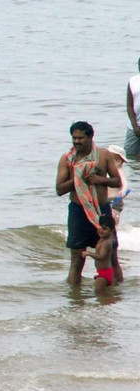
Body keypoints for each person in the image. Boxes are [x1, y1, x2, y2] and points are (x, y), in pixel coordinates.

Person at [55, 122, 122, 286]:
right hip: (79, 212)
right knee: (77, 259)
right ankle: (74, 300)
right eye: (74, 138)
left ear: (90, 137)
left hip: (102, 212)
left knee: (111, 256)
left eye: (81, 138)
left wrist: (100, 179)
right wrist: (78, 177)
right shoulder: (67, 160)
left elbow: (116, 181)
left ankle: (117, 295)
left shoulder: (103, 155)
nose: (77, 141)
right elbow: (59, 189)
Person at [81, 214, 117, 294]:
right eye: (100, 227)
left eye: (105, 229)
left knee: (100, 295)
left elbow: (102, 257)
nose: (101, 230)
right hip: (102, 271)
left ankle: (107, 303)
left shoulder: (106, 242)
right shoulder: (103, 238)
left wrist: (89, 253)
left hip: (104, 273)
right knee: (101, 294)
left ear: (111, 231)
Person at [107, 145, 131, 225]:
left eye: (109, 160)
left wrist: (123, 191)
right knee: (106, 221)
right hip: (107, 200)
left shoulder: (119, 171)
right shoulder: (108, 171)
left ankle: (115, 233)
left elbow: (125, 183)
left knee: (114, 220)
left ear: (119, 161)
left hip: (115, 199)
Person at [125, 57, 140, 157]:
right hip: (134, 127)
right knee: (129, 156)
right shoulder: (133, 81)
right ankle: (134, 173)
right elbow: (130, 105)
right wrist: (135, 126)